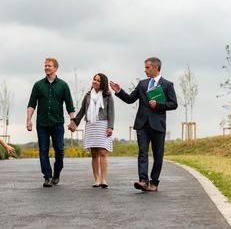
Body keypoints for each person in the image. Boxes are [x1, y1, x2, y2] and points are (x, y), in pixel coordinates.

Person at [110, 57, 177, 192]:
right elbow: (130, 99)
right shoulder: (142, 84)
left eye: (147, 67)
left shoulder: (167, 85)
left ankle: (154, 182)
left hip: (158, 125)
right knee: (142, 153)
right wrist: (119, 91)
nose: (145, 70)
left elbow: (173, 104)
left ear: (155, 68)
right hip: (142, 124)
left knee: (158, 155)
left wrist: (158, 105)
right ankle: (143, 181)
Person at [26, 57, 75, 187]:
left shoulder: (63, 85)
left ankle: (57, 172)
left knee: (59, 149)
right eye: (45, 65)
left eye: (49, 66)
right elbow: (31, 104)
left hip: (57, 123)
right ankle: (47, 176)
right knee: (43, 150)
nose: (47, 67)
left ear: (55, 68)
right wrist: (28, 119)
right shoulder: (38, 85)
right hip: (42, 124)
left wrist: (73, 121)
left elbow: (70, 105)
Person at [69, 73, 114, 189]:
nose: (95, 82)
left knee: (103, 153)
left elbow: (111, 113)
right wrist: (74, 123)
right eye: (94, 79)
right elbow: (82, 111)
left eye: (98, 80)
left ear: (102, 83)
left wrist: (110, 127)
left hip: (103, 125)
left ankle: (104, 179)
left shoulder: (108, 96)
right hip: (91, 125)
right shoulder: (88, 95)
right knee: (94, 154)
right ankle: (97, 179)